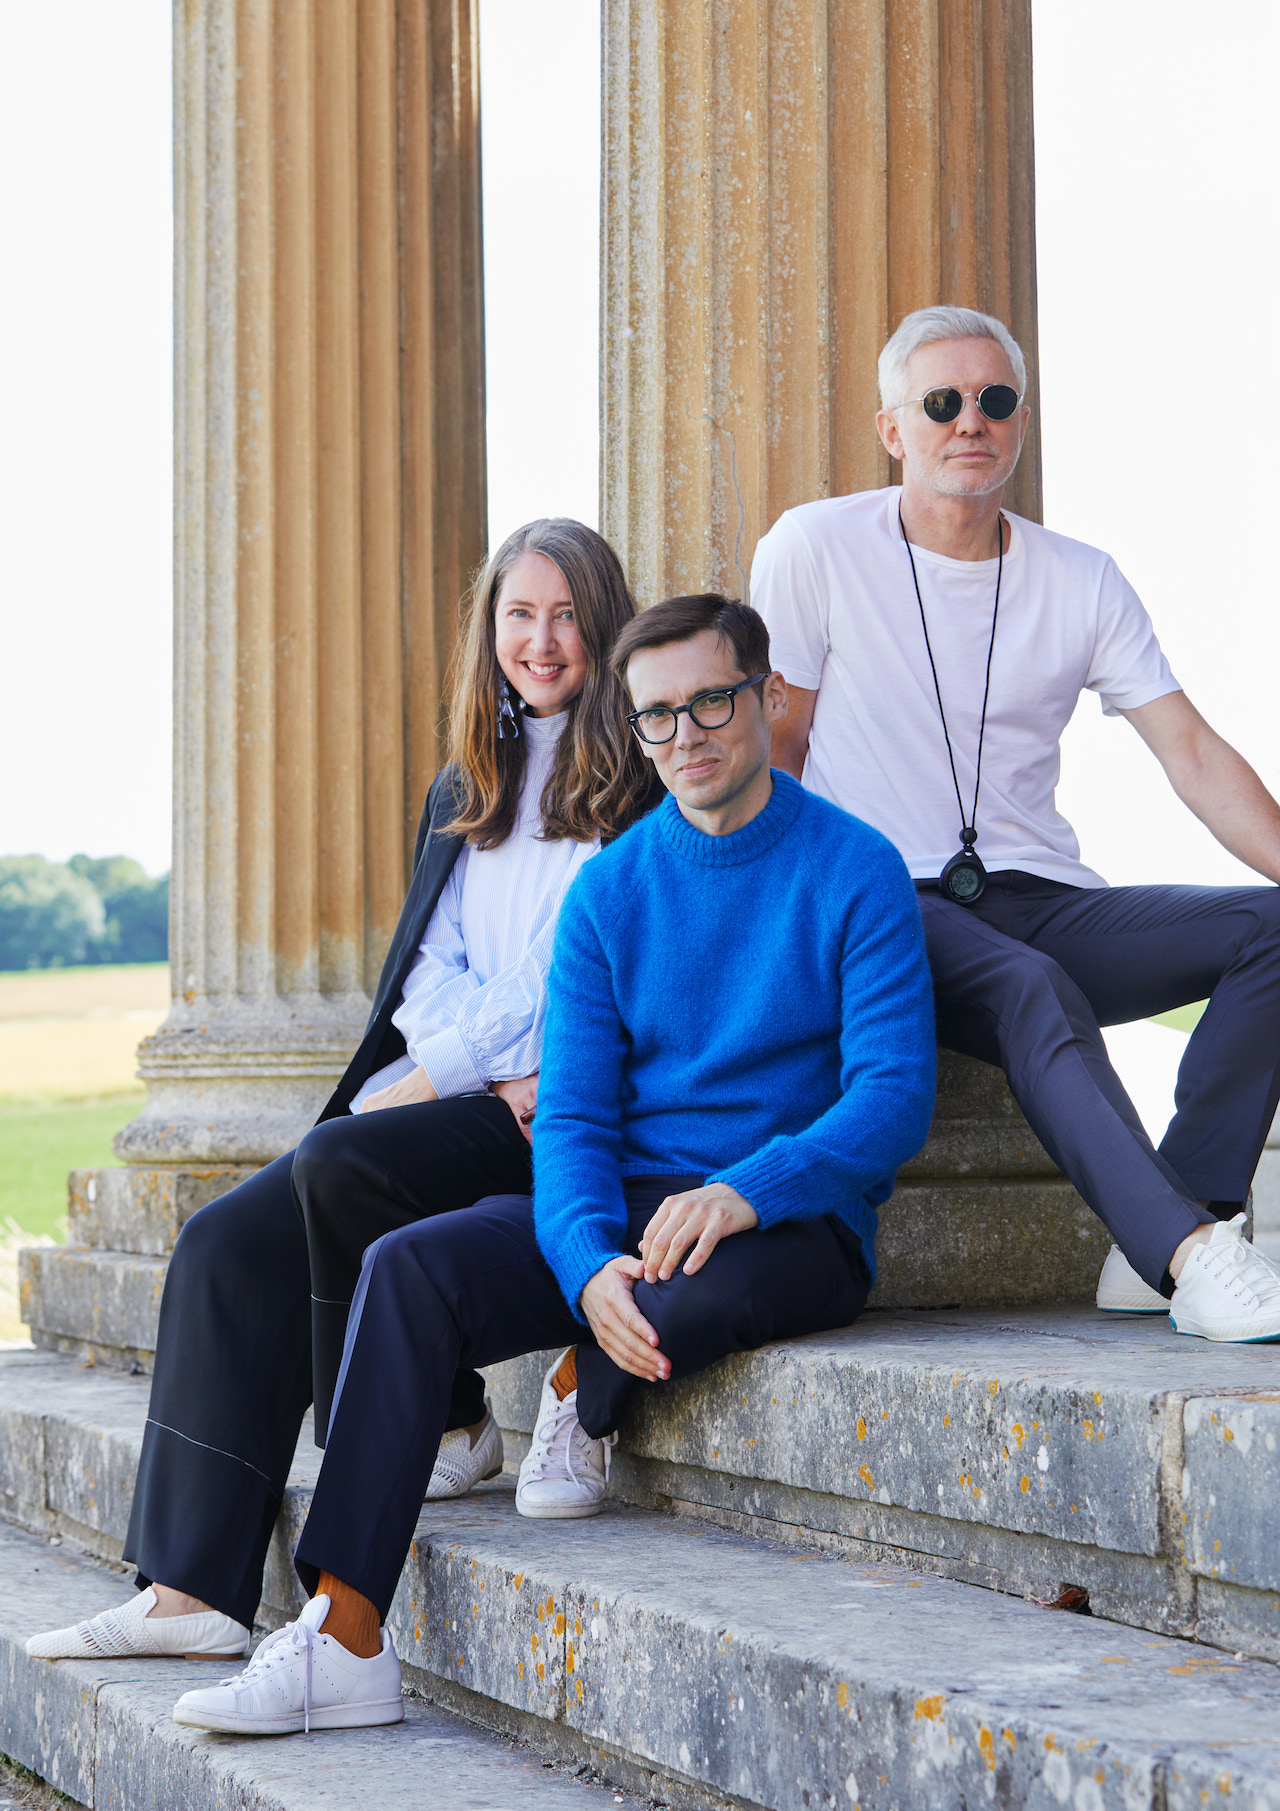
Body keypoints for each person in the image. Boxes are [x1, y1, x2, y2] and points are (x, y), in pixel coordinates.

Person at [159, 593, 937, 1735]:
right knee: (409, 1266)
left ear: (767, 698)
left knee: (691, 1280)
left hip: (790, 1219)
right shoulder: (611, 891)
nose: (686, 737)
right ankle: (344, 1632)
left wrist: (741, 1189)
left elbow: (890, 1099)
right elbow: (570, 1123)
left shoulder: (855, 869)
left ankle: (591, 1378)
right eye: (657, 717)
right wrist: (582, 1264)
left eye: (712, 702)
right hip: (623, 1207)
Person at [27, 517, 657, 1667]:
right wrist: (439, 1067)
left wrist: (432, 1076)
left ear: (604, 628)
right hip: (468, 1091)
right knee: (222, 1241)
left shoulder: (635, 788)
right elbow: (426, 969)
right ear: (490, 631)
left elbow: (565, 975)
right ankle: (192, 1593)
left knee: (336, 1164)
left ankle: (452, 1418)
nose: (542, 638)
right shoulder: (464, 786)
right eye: (518, 613)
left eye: (566, 613)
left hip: (556, 1113)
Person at [753, 301, 1280, 1344]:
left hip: (1040, 897)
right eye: (940, 402)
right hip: (881, 904)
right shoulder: (814, 547)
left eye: (993, 401)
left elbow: (1192, 754)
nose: (969, 422)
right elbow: (780, 753)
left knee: (1269, 927)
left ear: (1020, 421)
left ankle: (1180, 1219)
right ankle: (1188, 1254)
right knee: (1028, 988)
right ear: (891, 427)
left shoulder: (1079, 576)